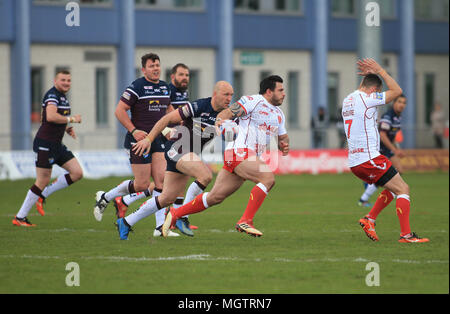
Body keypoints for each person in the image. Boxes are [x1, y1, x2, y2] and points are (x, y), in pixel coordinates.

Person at [161, 75, 290, 238]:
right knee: (268, 179)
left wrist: (284, 145)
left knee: (215, 197)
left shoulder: (279, 114)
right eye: (281, 90)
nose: (284, 94)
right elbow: (226, 112)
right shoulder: (253, 101)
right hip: (240, 151)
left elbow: (282, 138)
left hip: (243, 158)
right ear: (269, 91)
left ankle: (175, 214)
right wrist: (220, 121)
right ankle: (246, 221)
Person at [115, 81, 234, 240]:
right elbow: (166, 119)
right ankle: (182, 216)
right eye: (226, 94)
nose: (229, 98)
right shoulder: (198, 106)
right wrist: (149, 139)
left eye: (231, 95)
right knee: (205, 175)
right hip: (177, 149)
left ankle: (126, 222)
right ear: (215, 94)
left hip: (188, 154)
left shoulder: (227, 114)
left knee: (166, 198)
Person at [342, 58, 428, 243]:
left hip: (356, 160)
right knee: (403, 188)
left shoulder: (348, 99)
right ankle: (406, 235)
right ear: (374, 91)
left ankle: (369, 219)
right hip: (368, 158)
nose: (379, 97)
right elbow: (397, 91)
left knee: (391, 188)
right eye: (378, 93)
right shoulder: (368, 99)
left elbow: (365, 87)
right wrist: (380, 70)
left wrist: (368, 78)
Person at [93, 53, 179, 236]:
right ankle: (106, 197)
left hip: (157, 139)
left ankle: (159, 228)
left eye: (157, 65)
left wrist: (179, 125)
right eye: (151, 66)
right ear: (144, 69)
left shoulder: (165, 88)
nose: (156, 68)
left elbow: (169, 112)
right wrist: (134, 131)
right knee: (141, 184)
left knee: (161, 181)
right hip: (138, 140)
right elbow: (119, 111)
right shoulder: (137, 86)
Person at [112, 63, 197, 232]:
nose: (185, 78)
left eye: (187, 75)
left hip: (172, 138)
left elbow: (174, 115)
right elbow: (164, 116)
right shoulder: (167, 90)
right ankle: (176, 217)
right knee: (167, 180)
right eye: (181, 75)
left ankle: (166, 219)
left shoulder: (181, 92)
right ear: (172, 77)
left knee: (166, 180)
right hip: (159, 139)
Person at [13, 70, 83, 227]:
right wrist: (72, 119)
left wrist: (66, 128)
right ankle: (20, 217)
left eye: (69, 80)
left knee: (77, 173)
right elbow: (51, 116)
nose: (66, 83)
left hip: (56, 144)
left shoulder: (63, 97)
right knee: (42, 180)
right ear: (55, 81)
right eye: (63, 80)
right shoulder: (52, 95)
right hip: (45, 144)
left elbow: (46, 117)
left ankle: (42, 194)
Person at [358, 94, 407, 207]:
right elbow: (383, 135)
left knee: (398, 170)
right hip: (379, 149)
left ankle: (388, 192)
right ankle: (363, 199)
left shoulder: (398, 117)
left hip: (387, 149)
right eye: (399, 102)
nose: (402, 105)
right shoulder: (388, 116)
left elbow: (393, 136)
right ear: (394, 103)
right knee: (383, 176)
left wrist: (397, 149)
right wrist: (395, 149)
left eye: (404, 103)